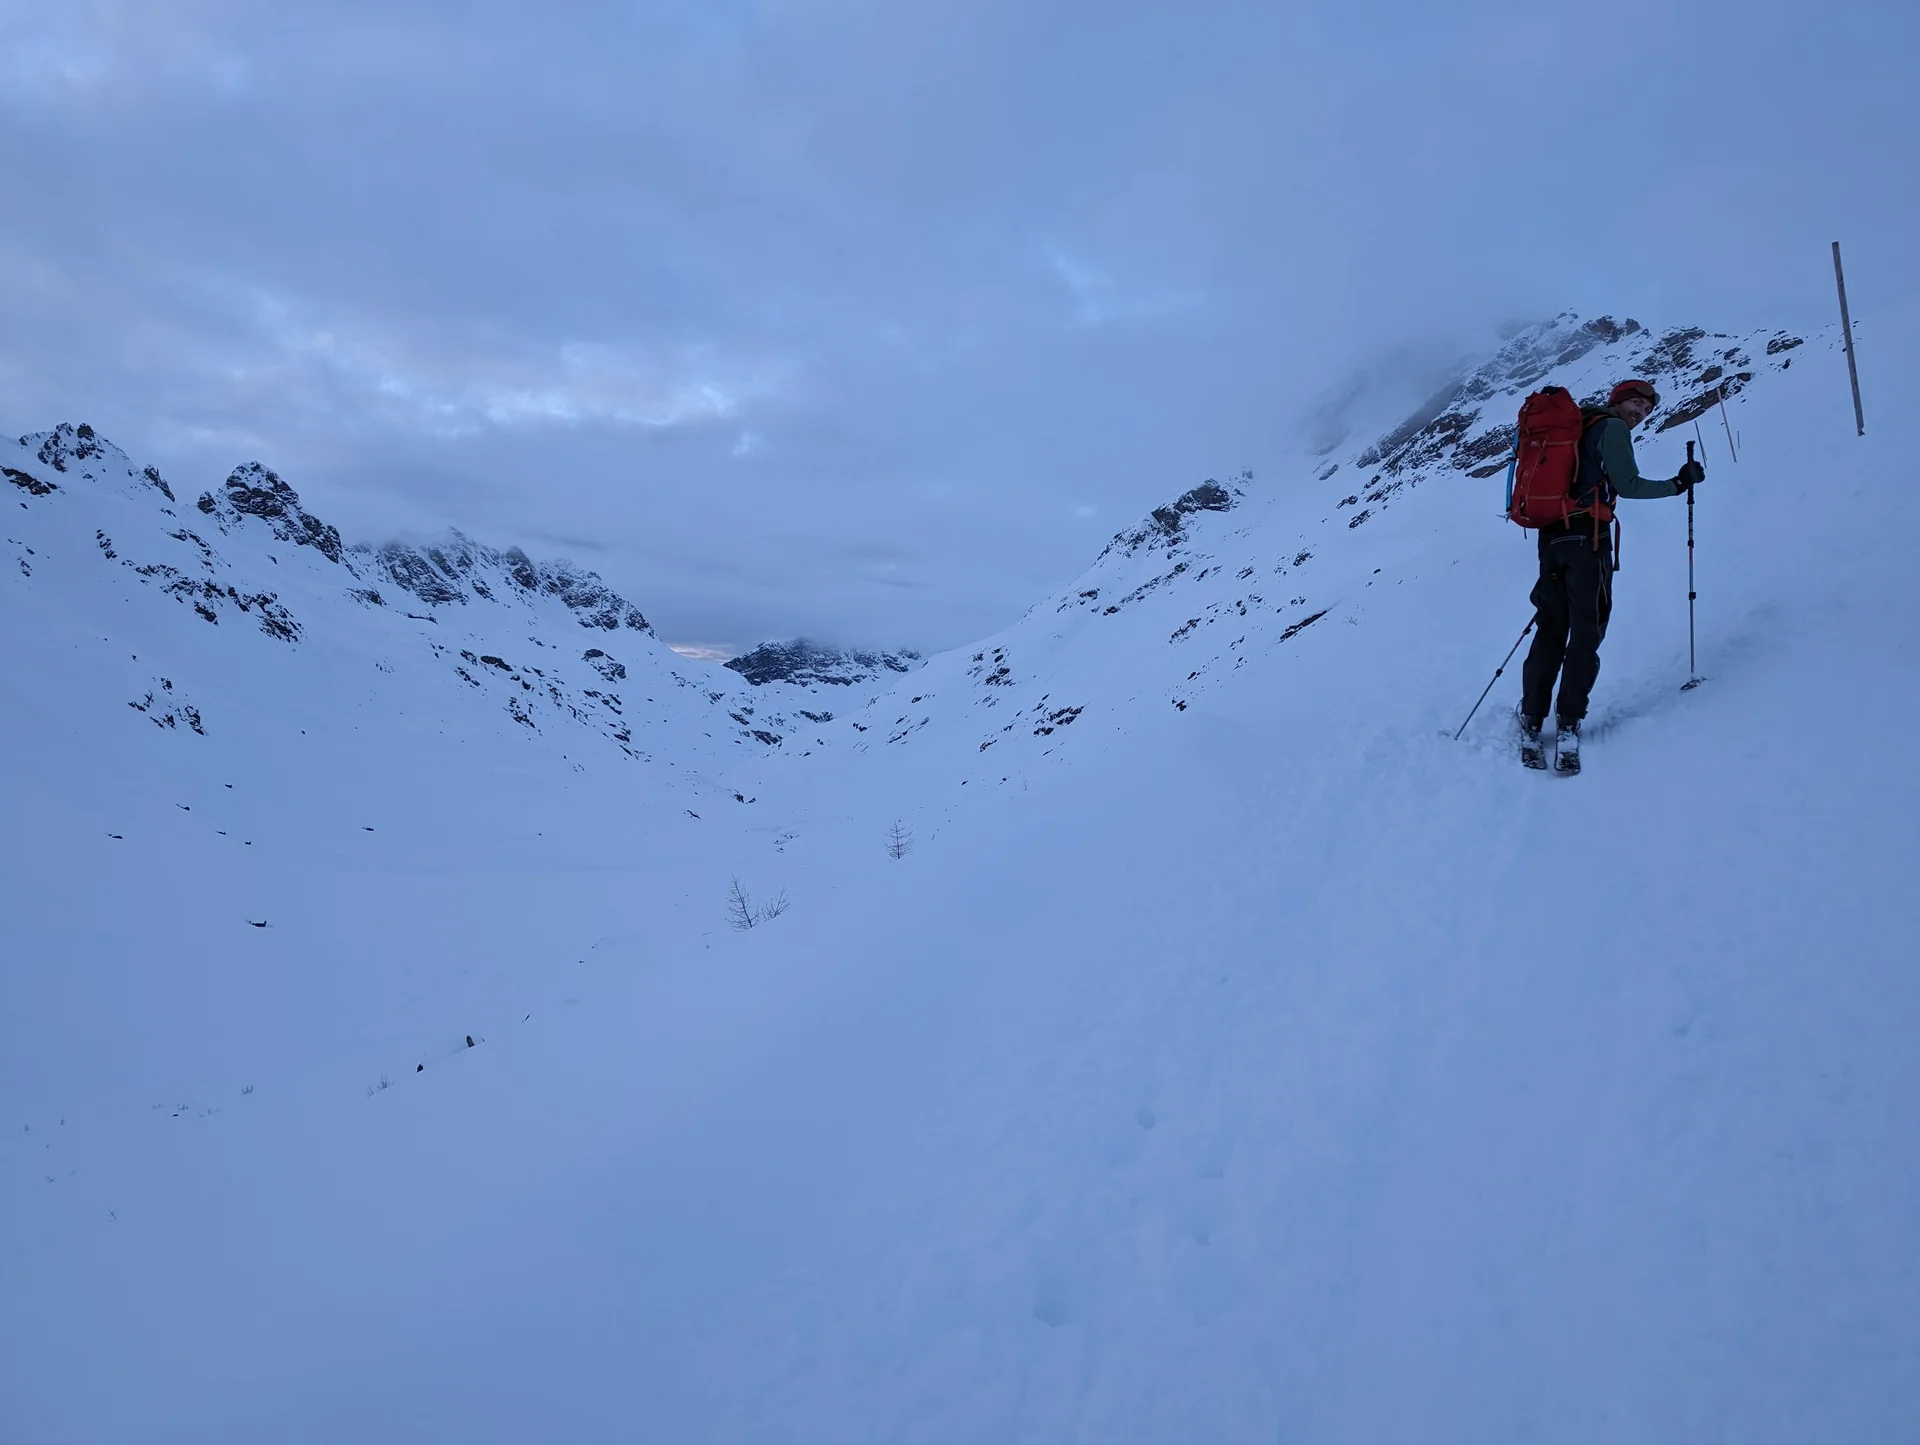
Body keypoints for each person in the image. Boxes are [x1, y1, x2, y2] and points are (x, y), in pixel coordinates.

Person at [1518, 378, 1705, 772]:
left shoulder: (1579, 426)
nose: (1639, 413)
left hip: (1551, 538)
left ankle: (1532, 717)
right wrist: (1678, 483)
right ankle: (1568, 720)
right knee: (1587, 630)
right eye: (1635, 404)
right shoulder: (1612, 428)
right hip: (1589, 539)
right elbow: (1629, 485)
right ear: (1617, 402)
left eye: (1646, 410)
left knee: (1551, 628)